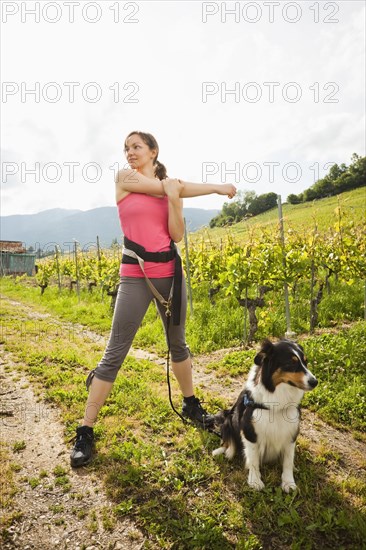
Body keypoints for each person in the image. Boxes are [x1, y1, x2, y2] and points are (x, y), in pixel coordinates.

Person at [70, 131, 237, 467]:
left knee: (178, 344)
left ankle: (190, 404)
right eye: (126, 148)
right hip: (135, 274)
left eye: (137, 147)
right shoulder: (124, 179)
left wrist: (183, 197)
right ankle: (86, 429)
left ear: (153, 151)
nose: (129, 152)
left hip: (169, 273)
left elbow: (176, 234)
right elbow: (168, 186)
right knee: (115, 351)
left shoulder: (170, 190)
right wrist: (198, 187)